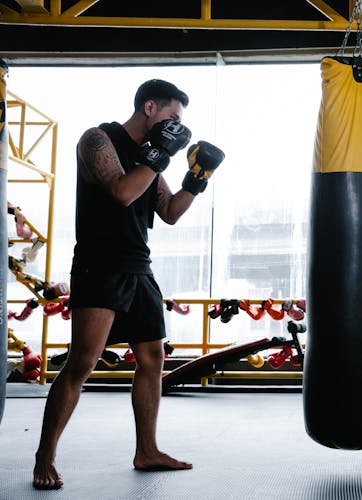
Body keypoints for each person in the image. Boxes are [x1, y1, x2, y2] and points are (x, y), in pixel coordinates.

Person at [33, 79, 225, 489]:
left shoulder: (148, 158)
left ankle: (147, 450)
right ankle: (44, 455)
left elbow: (170, 212)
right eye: (173, 117)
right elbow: (121, 192)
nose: (177, 126)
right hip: (100, 265)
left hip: (139, 267)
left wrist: (196, 179)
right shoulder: (97, 140)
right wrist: (160, 156)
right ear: (150, 107)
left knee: (153, 358)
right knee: (82, 363)